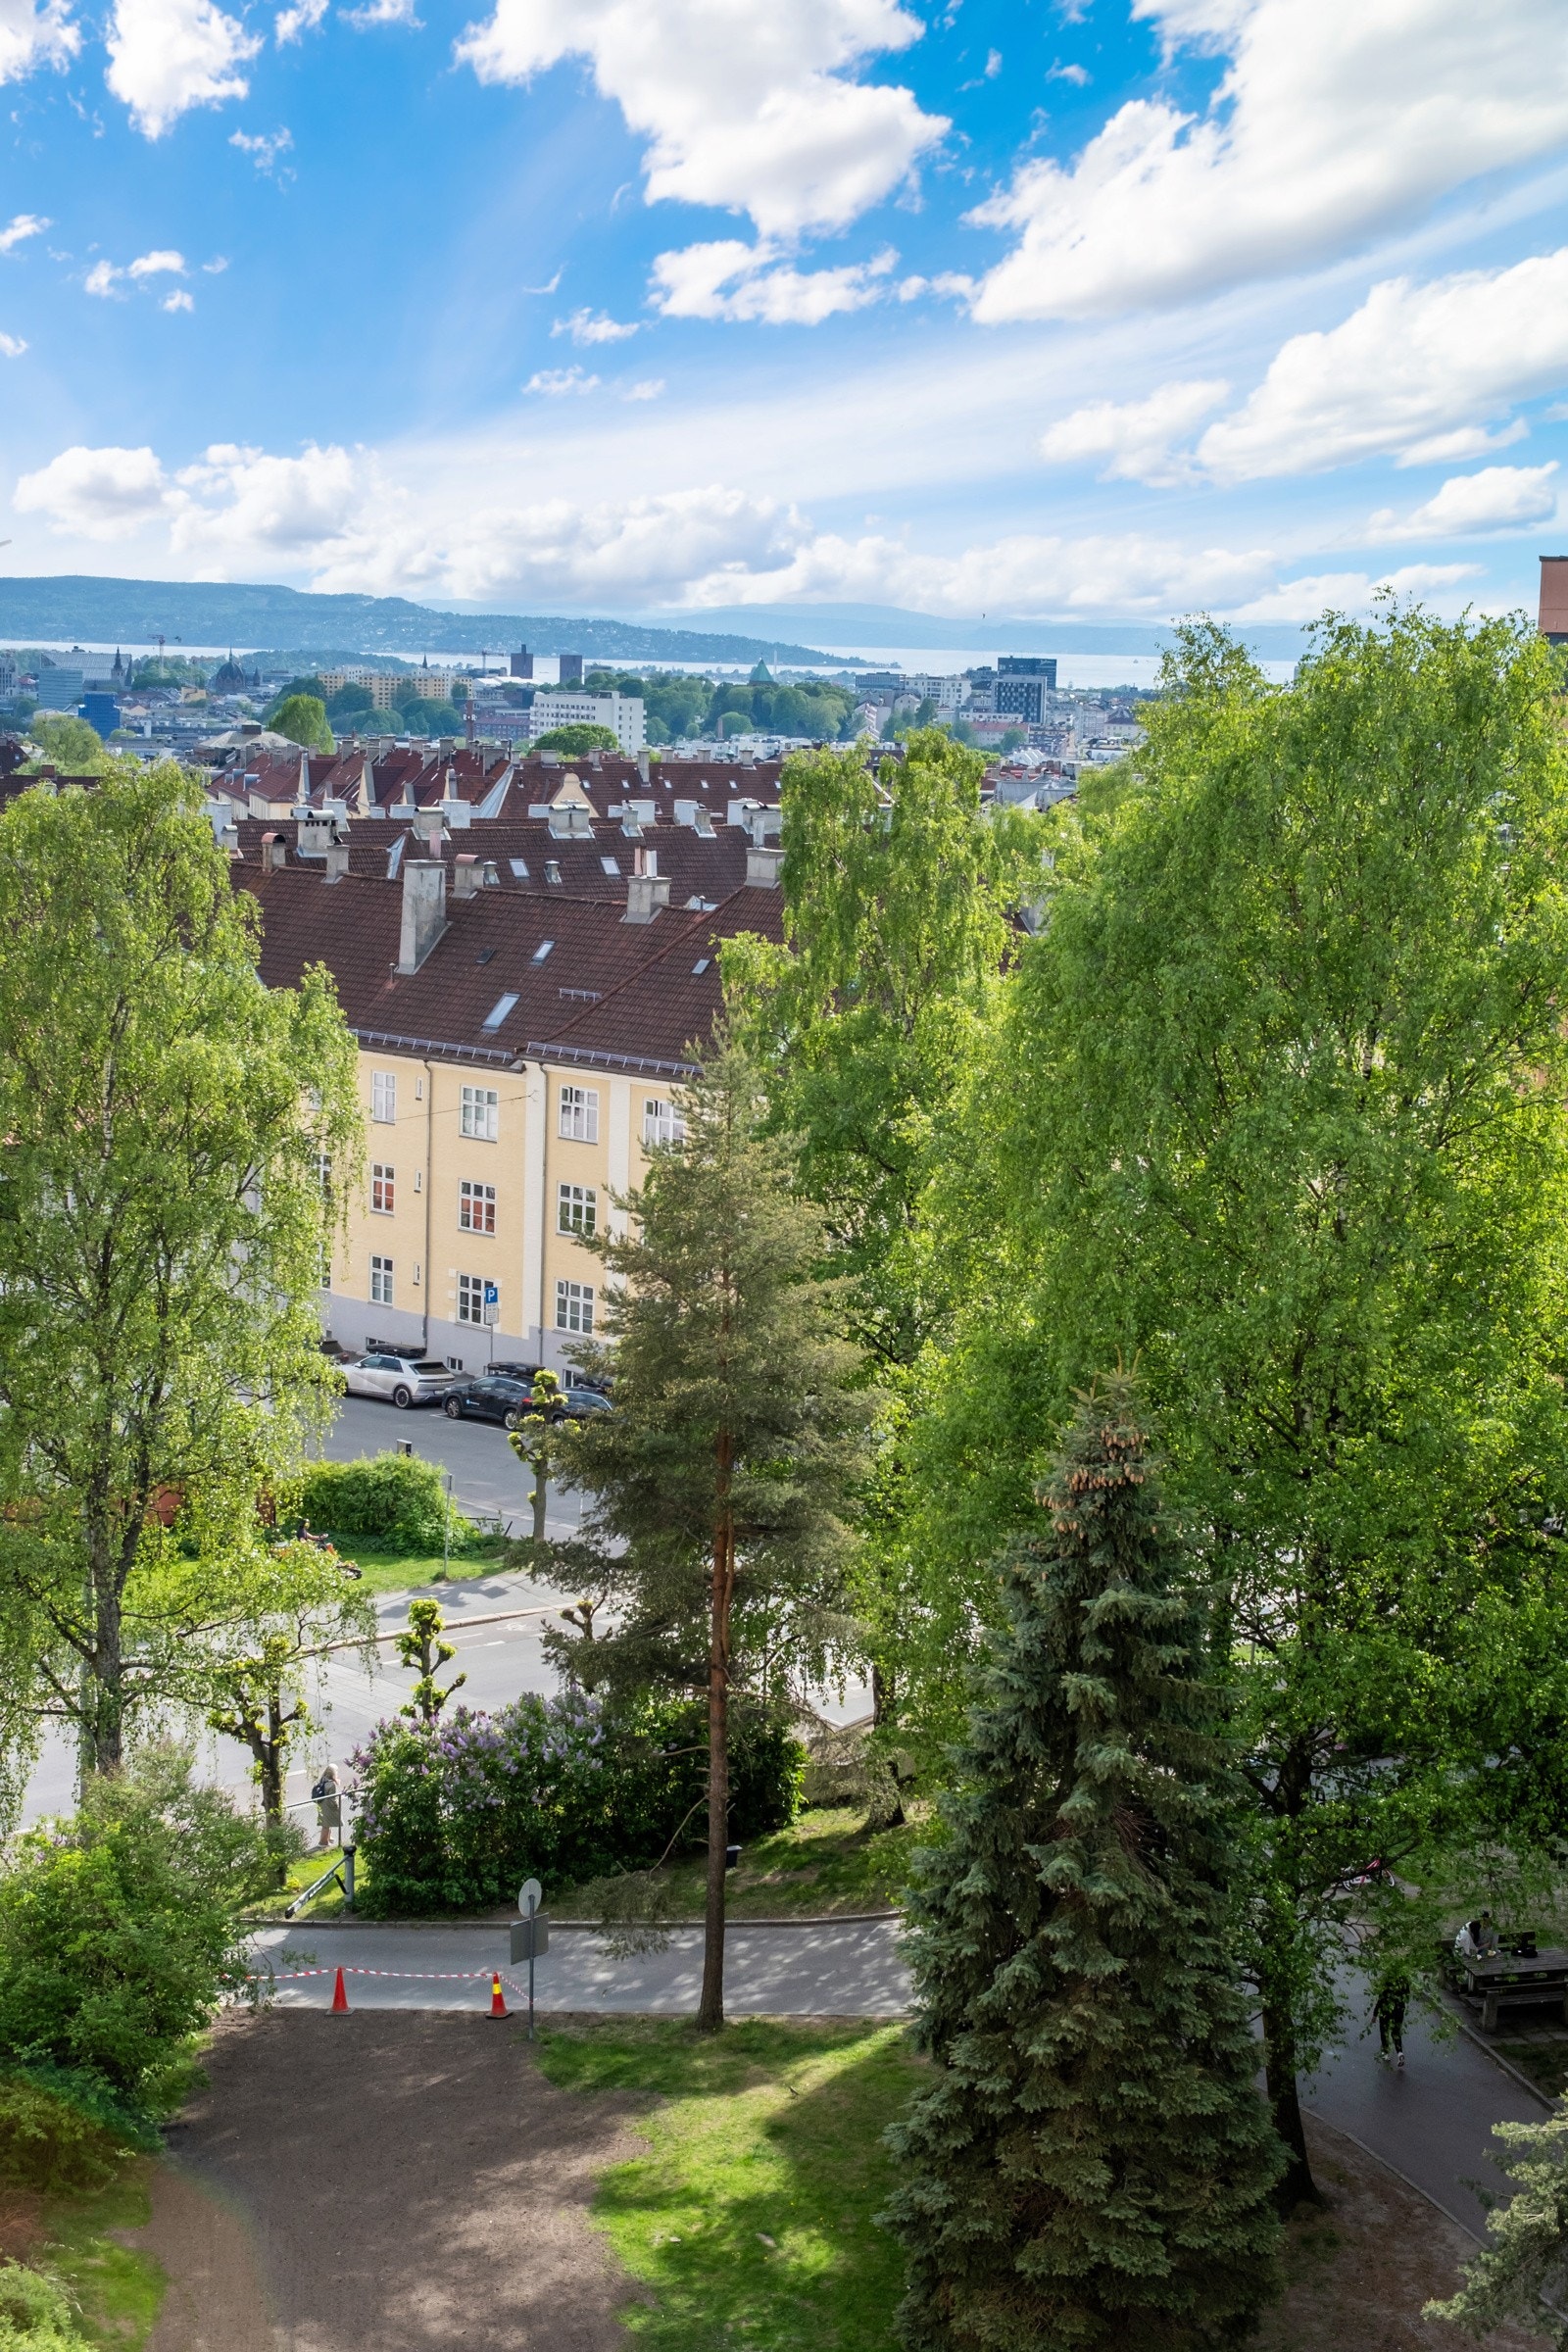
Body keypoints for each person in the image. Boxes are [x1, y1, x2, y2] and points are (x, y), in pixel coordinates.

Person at [1373, 1976, 1409, 2069]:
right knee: (1396, 2032)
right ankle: (1400, 2053)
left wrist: (1375, 2014)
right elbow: (1407, 1995)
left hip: (1386, 2011)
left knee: (1384, 2031)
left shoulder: (1387, 1980)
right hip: (1399, 2011)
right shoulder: (1404, 1981)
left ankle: (1386, 2053)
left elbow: (1381, 1999)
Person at [313, 1762, 342, 1849]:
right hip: (328, 1806)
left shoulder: (322, 1780)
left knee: (326, 1823)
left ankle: (328, 1839)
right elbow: (333, 1798)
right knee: (326, 1825)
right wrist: (336, 1806)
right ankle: (323, 1842)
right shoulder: (332, 1784)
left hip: (321, 1805)